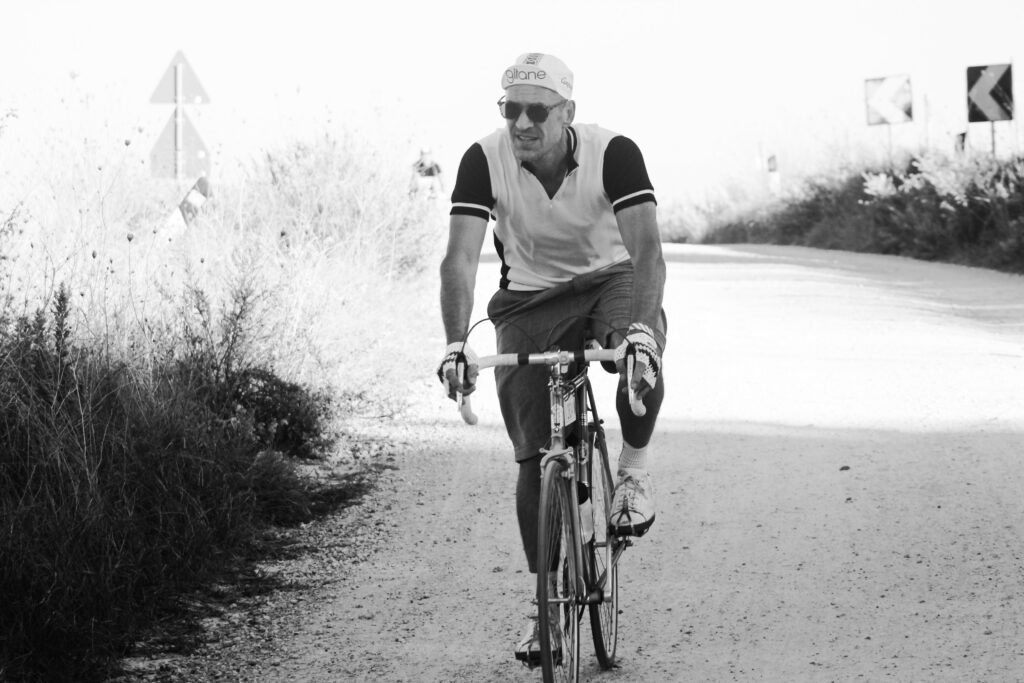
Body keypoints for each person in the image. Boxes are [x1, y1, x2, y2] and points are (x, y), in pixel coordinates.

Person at [437, 52, 667, 663]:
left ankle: (633, 474)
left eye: (537, 111)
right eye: (511, 109)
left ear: (567, 112)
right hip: (528, 297)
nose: (522, 123)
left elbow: (647, 251)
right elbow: (459, 258)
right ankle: (544, 609)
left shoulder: (614, 153)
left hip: (611, 277)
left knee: (637, 358)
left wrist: (641, 332)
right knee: (533, 455)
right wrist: (457, 342)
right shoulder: (482, 159)